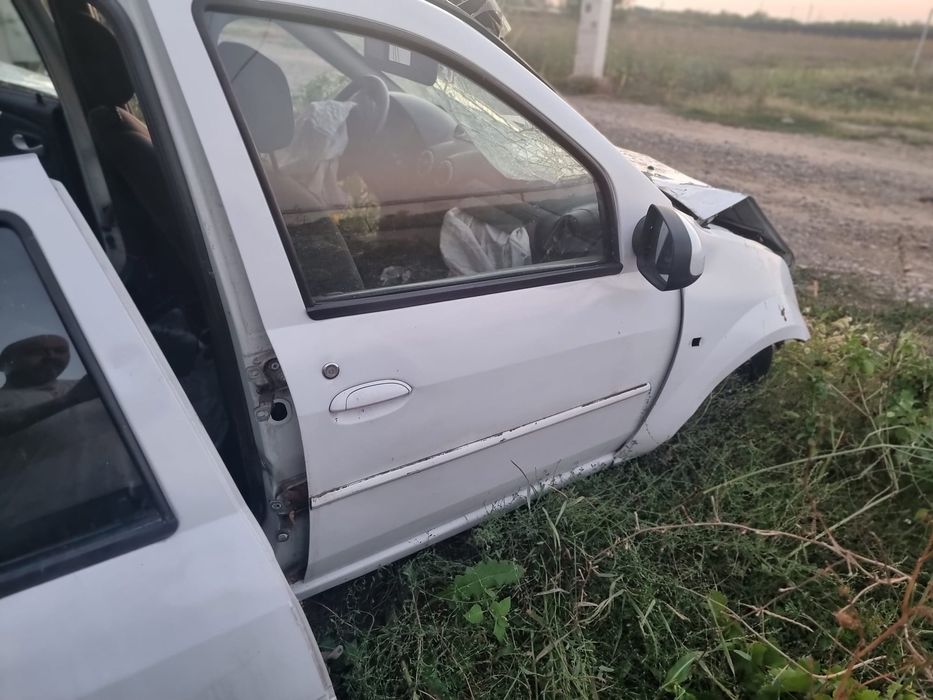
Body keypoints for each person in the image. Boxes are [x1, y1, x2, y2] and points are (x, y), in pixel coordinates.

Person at [0, 335, 94, 436]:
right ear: (7, 361)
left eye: (60, 350)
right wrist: (70, 400)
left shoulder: (89, 386)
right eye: (36, 351)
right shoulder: (3, 398)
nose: (51, 356)